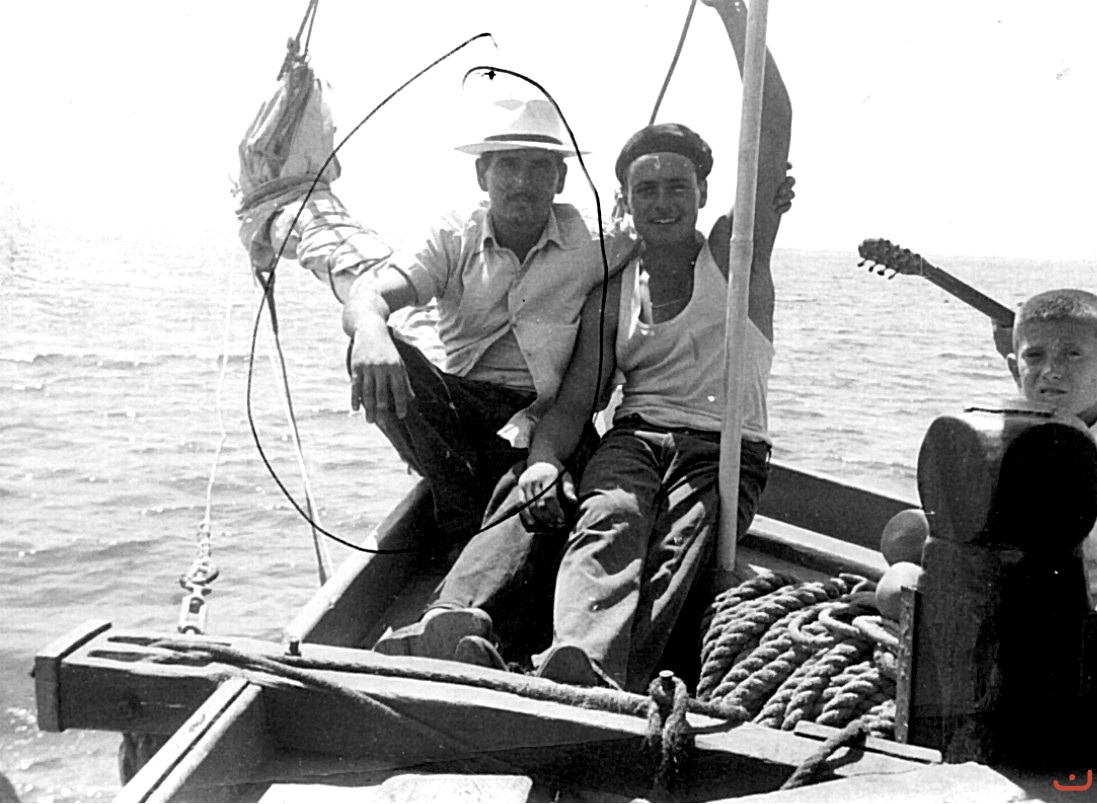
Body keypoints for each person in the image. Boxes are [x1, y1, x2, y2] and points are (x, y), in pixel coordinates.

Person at [369, 0, 795, 670]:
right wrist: (544, 463)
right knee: (606, 519)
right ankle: (568, 651)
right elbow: (573, 403)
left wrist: (734, 17)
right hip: (634, 439)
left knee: (678, 543)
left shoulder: (734, 257)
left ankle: (600, 673)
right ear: (624, 202)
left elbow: (771, 131)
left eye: (676, 187)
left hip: (722, 447)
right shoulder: (611, 286)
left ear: (704, 193)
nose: (662, 202)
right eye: (645, 189)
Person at [248, 98, 632, 545]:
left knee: (541, 508)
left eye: (538, 167)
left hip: (546, 419)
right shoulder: (453, 235)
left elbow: (665, 242)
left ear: (560, 178)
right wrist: (370, 331)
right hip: (462, 411)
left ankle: (467, 517)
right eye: (508, 166)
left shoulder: (598, 242)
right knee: (371, 347)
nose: (522, 182)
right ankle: (461, 507)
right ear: (482, 175)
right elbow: (369, 294)